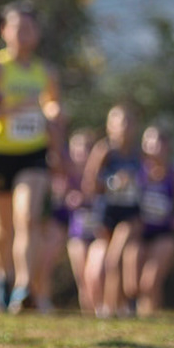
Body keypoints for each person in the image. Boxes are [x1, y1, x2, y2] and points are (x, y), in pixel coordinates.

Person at [0, 3, 62, 314]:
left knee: (27, 218)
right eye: (18, 28)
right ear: (4, 31)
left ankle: (24, 288)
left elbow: (53, 109)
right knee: (1, 227)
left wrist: (53, 119)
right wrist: (16, 106)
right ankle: (1, 276)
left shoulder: (45, 72)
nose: (24, 35)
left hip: (33, 152)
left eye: (30, 28)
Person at [83, 104, 147, 318]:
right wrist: (113, 182)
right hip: (109, 211)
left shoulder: (139, 154)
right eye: (122, 123)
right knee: (112, 261)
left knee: (115, 258)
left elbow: (153, 180)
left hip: (131, 212)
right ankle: (115, 306)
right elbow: (90, 184)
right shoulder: (104, 150)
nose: (126, 128)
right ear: (111, 126)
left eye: (130, 122)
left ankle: (114, 306)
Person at [130, 125, 174, 315]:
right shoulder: (137, 171)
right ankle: (139, 316)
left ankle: (150, 319)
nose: (153, 147)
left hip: (165, 232)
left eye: (158, 142)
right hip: (139, 232)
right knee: (132, 284)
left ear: (167, 146)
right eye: (149, 142)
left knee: (150, 282)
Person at [61, 130, 100, 315]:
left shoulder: (100, 175)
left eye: (86, 148)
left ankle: (102, 311)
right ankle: (89, 316)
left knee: (95, 274)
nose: (81, 153)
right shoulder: (66, 177)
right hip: (77, 233)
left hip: (98, 234)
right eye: (76, 148)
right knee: (82, 279)